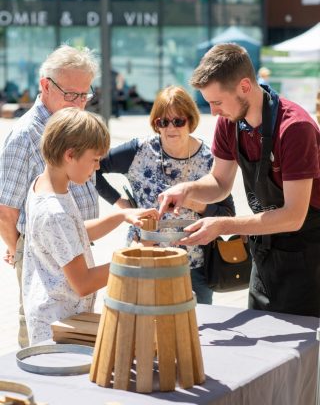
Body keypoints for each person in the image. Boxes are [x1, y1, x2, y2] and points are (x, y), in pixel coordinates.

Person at [158, 43, 320, 318]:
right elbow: (220, 183)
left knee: (300, 351)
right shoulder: (229, 122)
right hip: (265, 252)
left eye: (217, 102)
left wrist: (222, 225)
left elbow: (293, 216)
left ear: (245, 86)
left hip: (307, 253)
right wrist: (187, 190)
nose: (212, 112)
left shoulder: (295, 128)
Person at [23, 108, 158, 345]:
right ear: (70, 155)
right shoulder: (55, 211)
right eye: (94, 160)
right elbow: (83, 283)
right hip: (59, 330)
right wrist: (135, 255)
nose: (97, 168)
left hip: (58, 318)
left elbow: (72, 234)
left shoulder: (44, 186)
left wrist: (121, 215)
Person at [96, 85, 235, 305]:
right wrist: (121, 204)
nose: (171, 127)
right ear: (156, 124)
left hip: (194, 268)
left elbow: (228, 214)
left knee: (198, 334)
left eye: (178, 121)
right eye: (163, 122)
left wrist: (196, 205)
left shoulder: (210, 158)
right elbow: (92, 167)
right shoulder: (138, 151)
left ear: (191, 121)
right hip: (145, 258)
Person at [0, 44, 100, 347]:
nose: (80, 103)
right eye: (72, 94)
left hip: (72, 242)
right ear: (45, 86)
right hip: (47, 251)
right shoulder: (26, 134)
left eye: (85, 95)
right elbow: (6, 211)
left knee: (71, 333)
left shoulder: (72, 125)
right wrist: (22, 249)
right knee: (40, 336)